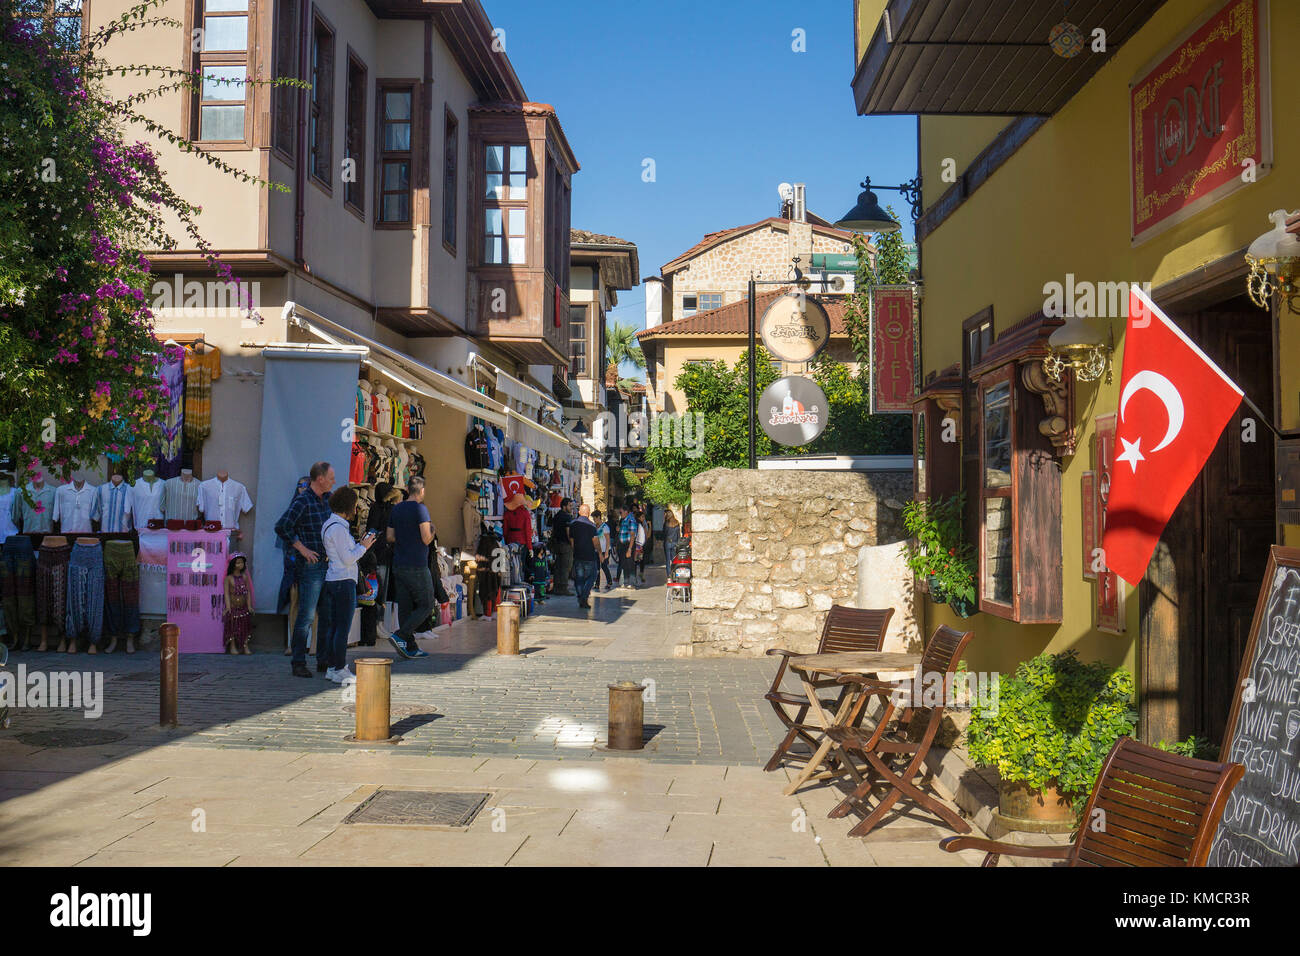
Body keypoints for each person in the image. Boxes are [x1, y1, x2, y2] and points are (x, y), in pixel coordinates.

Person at [274, 462, 335, 678]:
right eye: (330, 477)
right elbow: (282, 526)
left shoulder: (327, 499)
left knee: (326, 614)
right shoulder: (303, 500)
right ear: (319, 479)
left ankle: (323, 660)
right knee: (306, 616)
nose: (333, 481)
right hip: (310, 567)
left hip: (327, 565)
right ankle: (298, 661)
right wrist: (302, 549)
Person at [319, 487, 377, 683]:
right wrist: (364, 546)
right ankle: (339, 668)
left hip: (333, 580)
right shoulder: (339, 528)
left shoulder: (330, 525)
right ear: (348, 506)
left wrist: (359, 544)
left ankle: (332, 667)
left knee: (334, 627)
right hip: (343, 581)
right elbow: (348, 558)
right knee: (342, 628)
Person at [386, 475, 433, 659]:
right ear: (421, 491)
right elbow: (426, 538)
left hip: (399, 563)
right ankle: (400, 635)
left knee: (404, 607)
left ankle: (410, 646)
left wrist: (405, 538)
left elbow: (389, 536)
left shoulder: (396, 509)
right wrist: (433, 529)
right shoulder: (421, 509)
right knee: (427, 604)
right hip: (417, 564)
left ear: (407, 489)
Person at [358, 481, 399, 646]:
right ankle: (376, 623)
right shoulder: (378, 508)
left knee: (383, 589)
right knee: (377, 589)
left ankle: (380, 622)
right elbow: (372, 529)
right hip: (379, 553)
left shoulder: (389, 508)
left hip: (386, 553)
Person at [277, 474, 311, 656]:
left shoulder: (315, 508)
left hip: (311, 563)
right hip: (294, 562)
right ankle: (293, 643)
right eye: (300, 486)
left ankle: (313, 645)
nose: (302, 489)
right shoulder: (292, 511)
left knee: (314, 604)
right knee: (294, 602)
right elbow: (284, 532)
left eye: (306, 485)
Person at [569, 504, 600, 609]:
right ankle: (584, 597)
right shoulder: (592, 525)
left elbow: (572, 541)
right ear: (588, 512)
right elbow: (595, 541)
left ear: (579, 512)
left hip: (578, 555)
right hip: (590, 555)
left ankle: (581, 597)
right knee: (592, 577)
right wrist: (600, 552)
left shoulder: (573, 524)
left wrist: (575, 551)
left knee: (579, 578)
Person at [222, 553, 254, 655]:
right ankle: (232, 646)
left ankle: (245, 646)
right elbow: (226, 593)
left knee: (245, 626)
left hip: (244, 607)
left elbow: (248, 592)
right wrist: (227, 607)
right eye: (237, 563)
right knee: (232, 627)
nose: (239, 565)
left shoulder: (245, 577)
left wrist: (249, 606)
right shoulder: (228, 578)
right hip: (233, 607)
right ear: (232, 564)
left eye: (241, 563)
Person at [549, 497, 574, 595]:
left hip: (557, 544)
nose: (571, 508)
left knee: (558, 566)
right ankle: (563, 588)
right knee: (566, 566)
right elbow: (568, 531)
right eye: (570, 506)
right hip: (565, 544)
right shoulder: (567, 517)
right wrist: (572, 543)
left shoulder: (557, 516)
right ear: (564, 506)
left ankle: (556, 587)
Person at [616, 502, 639, 589]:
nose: (620, 514)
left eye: (621, 512)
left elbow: (632, 535)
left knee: (630, 563)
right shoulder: (624, 520)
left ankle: (631, 583)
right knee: (624, 563)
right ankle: (626, 582)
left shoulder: (631, 520)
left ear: (626, 512)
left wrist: (629, 548)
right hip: (623, 545)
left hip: (628, 544)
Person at [593, 509, 614, 592]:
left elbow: (608, 540)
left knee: (604, 566)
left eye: (595, 518)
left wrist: (606, 553)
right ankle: (597, 584)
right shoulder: (595, 527)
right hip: (597, 550)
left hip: (605, 550)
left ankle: (609, 582)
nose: (594, 520)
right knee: (597, 567)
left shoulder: (605, 527)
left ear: (599, 517)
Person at [663, 507, 682, 580]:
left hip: (667, 542)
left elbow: (664, 534)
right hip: (675, 542)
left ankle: (669, 576)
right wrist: (678, 543)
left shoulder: (666, 523)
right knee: (674, 559)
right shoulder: (677, 523)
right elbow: (678, 534)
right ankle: (675, 573)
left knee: (668, 560)